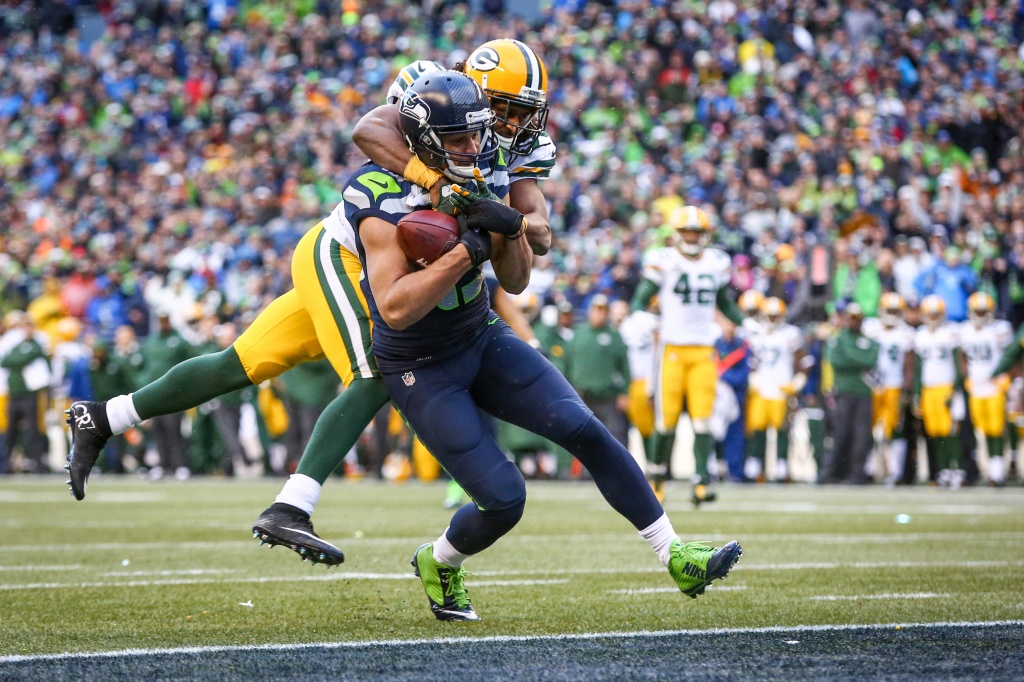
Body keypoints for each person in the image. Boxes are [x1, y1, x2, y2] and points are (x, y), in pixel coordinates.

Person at [63, 38, 558, 569]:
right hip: (342, 254)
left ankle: (105, 417)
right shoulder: (434, 93)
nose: (508, 122)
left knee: (241, 365)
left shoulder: (514, 144)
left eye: (519, 111)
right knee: (377, 369)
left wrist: (505, 222)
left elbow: (541, 234)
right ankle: (291, 505)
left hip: (367, 261)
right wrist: (434, 181)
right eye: (502, 106)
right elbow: (367, 129)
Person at [356, 72, 740, 621]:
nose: (473, 149)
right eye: (458, 140)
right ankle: (438, 561)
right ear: (422, 138)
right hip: (419, 361)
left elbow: (515, 283)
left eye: (476, 136)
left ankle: (675, 552)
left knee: (584, 428)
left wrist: (509, 227)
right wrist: (467, 251)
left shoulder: (488, 166)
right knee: (505, 500)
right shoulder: (379, 191)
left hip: (478, 333)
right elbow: (395, 307)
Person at [630, 205, 745, 506]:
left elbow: (726, 303)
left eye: (697, 232)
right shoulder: (663, 261)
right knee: (665, 420)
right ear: (676, 234)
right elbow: (641, 297)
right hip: (671, 349)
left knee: (703, 420)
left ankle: (702, 483)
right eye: (687, 231)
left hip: (703, 349)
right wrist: (638, 316)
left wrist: (748, 324)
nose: (692, 237)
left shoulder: (717, 263)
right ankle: (657, 480)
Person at [744, 297, 805, 483]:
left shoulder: (790, 333)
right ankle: (757, 466)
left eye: (775, 316)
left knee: (782, 429)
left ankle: (781, 466)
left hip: (781, 388)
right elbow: (750, 359)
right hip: (761, 388)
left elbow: (802, 359)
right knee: (758, 429)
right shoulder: (755, 332)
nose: (772, 320)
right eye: (769, 316)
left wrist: (797, 381)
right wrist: (752, 376)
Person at [958, 292, 1014, 485]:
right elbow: (962, 356)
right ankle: (989, 469)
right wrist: (966, 376)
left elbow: (1011, 356)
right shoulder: (965, 331)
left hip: (995, 387)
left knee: (996, 430)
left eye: (984, 311)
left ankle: (997, 472)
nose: (981, 315)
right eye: (978, 311)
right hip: (976, 387)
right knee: (981, 431)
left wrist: (1007, 377)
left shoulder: (1000, 330)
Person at [821, 303, 879, 484]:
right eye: (851, 318)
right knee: (840, 434)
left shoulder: (868, 340)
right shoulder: (838, 339)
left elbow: (871, 359)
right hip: (844, 392)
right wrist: (858, 359)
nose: (854, 322)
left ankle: (856, 474)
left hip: (863, 392)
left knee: (861, 436)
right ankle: (832, 472)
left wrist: (851, 357)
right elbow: (837, 361)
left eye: (857, 318)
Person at [861, 293, 915, 485]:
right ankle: (868, 468)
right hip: (872, 386)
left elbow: (909, 364)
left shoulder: (906, 333)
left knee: (893, 430)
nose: (892, 315)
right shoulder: (870, 328)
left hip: (894, 385)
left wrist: (907, 389)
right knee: (869, 428)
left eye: (895, 311)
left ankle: (895, 471)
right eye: (889, 310)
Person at [912, 295, 965, 488]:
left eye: (936, 314)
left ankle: (957, 469)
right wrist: (917, 393)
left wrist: (954, 390)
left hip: (946, 386)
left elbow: (959, 366)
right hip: (928, 389)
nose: (933, 318)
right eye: (930, 314)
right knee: (935, 432)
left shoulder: (950, 333)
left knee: (950, 432)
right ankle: (943, 470)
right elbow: (918, 368)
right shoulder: (920, 335)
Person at [566, 294, 630, 449]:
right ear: (590, 311)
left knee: (615, 435)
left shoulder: (613, 335)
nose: (599, 314)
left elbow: (625, 366)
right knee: (583, 436)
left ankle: (617, 471)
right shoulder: (578, 333)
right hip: (582, 396)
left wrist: (624, 392)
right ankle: (583, 473)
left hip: (608, 396)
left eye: (603, 310)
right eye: (597, 310)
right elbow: (567, 362)